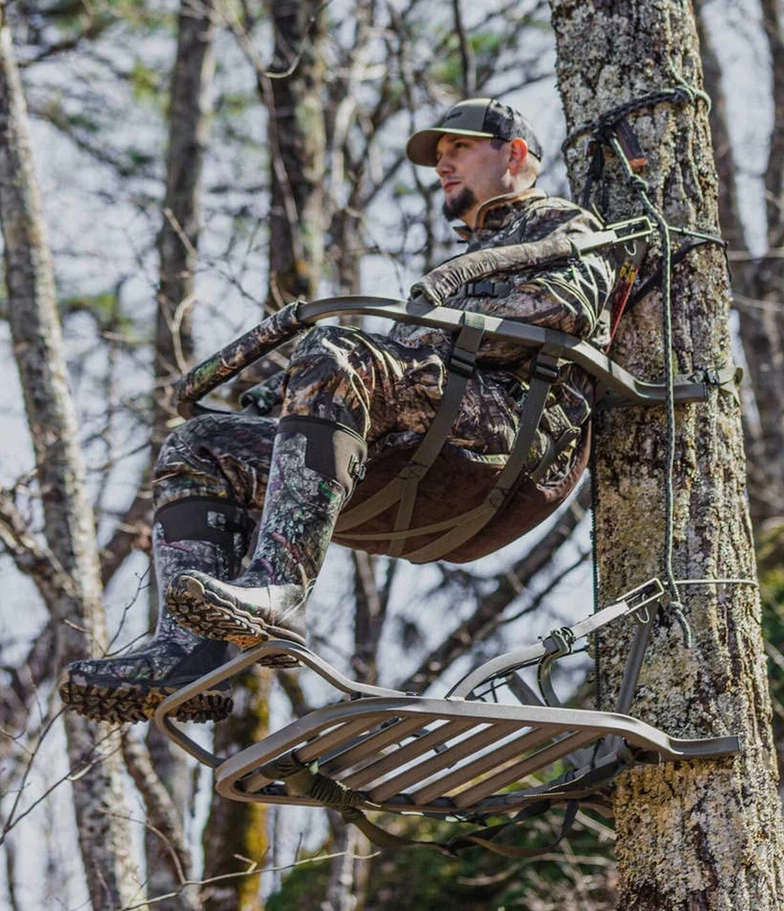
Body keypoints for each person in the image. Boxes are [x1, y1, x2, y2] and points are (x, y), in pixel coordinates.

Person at [59, 98, 615, 724]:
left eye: (458, 148)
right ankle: (189, 656)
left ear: (516, 154)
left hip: (512, 444)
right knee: (201, 443)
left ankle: (279, 589)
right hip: (425, 447)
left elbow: (562, 312)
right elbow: (413, 363)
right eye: (438, 158)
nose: (443, 166)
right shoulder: (462, 260)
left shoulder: (560, 224)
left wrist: (382, 354)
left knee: (338, 350)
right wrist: (298, 397)